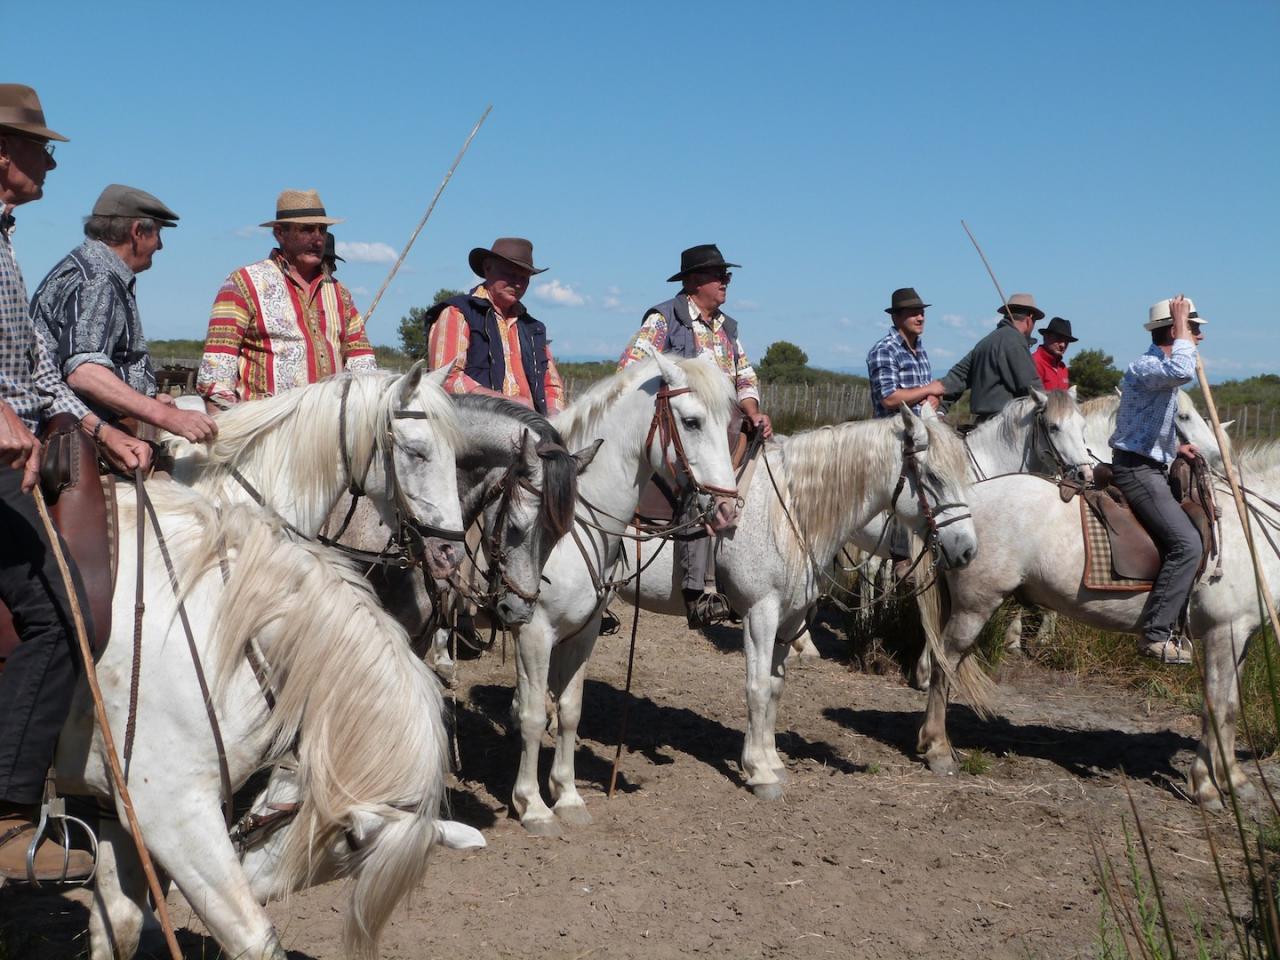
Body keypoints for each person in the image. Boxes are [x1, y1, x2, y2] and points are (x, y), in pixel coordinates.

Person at [0, 83, 152, 881]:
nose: (51, 160)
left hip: (37, 437)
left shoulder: (8, 241)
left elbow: (42, 371)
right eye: (41, 146)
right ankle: (8, 814)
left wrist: (97, 429)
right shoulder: (77, 269)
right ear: (2, 151)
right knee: (58, 618)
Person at [617, 243, 771, 627]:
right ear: (692, 282)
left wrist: (753, 411)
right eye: (719, 276)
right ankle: (696, 590)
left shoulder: (727, 328)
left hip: (728, 427)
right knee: (702, 486)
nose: (725, 283)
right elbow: (630, 368)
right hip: (682, 428)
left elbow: (745, 376)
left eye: (726, 276)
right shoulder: (663, 319)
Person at [30, 184, 217, 443]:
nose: (160, 246)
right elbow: (85, 373)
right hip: (76, 436)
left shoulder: (92, 269)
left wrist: (145, 397)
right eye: (158, 234)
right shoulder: (98, 279)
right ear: (137, 231)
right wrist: (167, 417)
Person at [196, 189, 376, 410]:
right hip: (267, 433)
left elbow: (363, 367)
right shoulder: (243, 284)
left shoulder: (340, 294)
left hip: (329, 433)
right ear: (280, 233)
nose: (318, 238)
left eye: (322, 230)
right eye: (308, 229)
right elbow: (216, 378)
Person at [1108, 295, 1206, 664]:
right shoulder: (1146, 366)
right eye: (1195, 328)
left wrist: (1174, 449)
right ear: (1173, 329)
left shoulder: (1159, 370)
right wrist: (1182, 324)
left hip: (1151, 462)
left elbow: (1148, 420)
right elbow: (1182, 370)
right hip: (1137, 470)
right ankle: (1156, 633)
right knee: (1187, 545)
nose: (1199, 336)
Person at [425, 237, 566, 415]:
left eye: (524, 278)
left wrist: (554, 416)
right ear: (488, 268)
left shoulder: (533, 329)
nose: (517, 283)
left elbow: (552, 386)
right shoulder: (458, 313)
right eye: (510, 274)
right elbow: (447, 378)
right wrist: (508, 403)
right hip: (473, 425)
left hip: (533, 429)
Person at [938, 292, 1046, 421]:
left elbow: (957, 378)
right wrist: (1048, 408)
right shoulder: (1015, 340)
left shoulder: (985, 342)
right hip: (1004, 427)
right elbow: (1032, 387)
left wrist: (940, 409)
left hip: (979, 426)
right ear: (1029, 319)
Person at [866, 287, 944, 416]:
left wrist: (934, 397)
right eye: (914, 314)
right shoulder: (884, 350)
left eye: (922, 313)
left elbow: (930, 390)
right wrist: (928, 389)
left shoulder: (920, 350)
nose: (920, 318)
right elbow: (889, 399)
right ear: (896, 317)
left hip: (922, 430)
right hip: (895, 433)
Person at [1032, 316, 1076, 392]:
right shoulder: (1033, 363)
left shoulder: (1063, 368)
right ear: (1046, 337)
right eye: (1058, 339)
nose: (1063, 345)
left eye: (1066, 341)